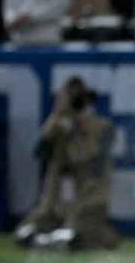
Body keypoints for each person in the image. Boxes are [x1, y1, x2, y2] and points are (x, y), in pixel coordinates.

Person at [13, 77, 120, 251]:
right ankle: (52, 237)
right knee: (25, 232)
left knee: (79, 233)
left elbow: (93, 161)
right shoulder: (58, 126)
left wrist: (78, 129)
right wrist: (56, 120)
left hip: (87, 204)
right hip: (55, 206)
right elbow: (40, 153)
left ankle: (73, 237)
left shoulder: (102, 127)